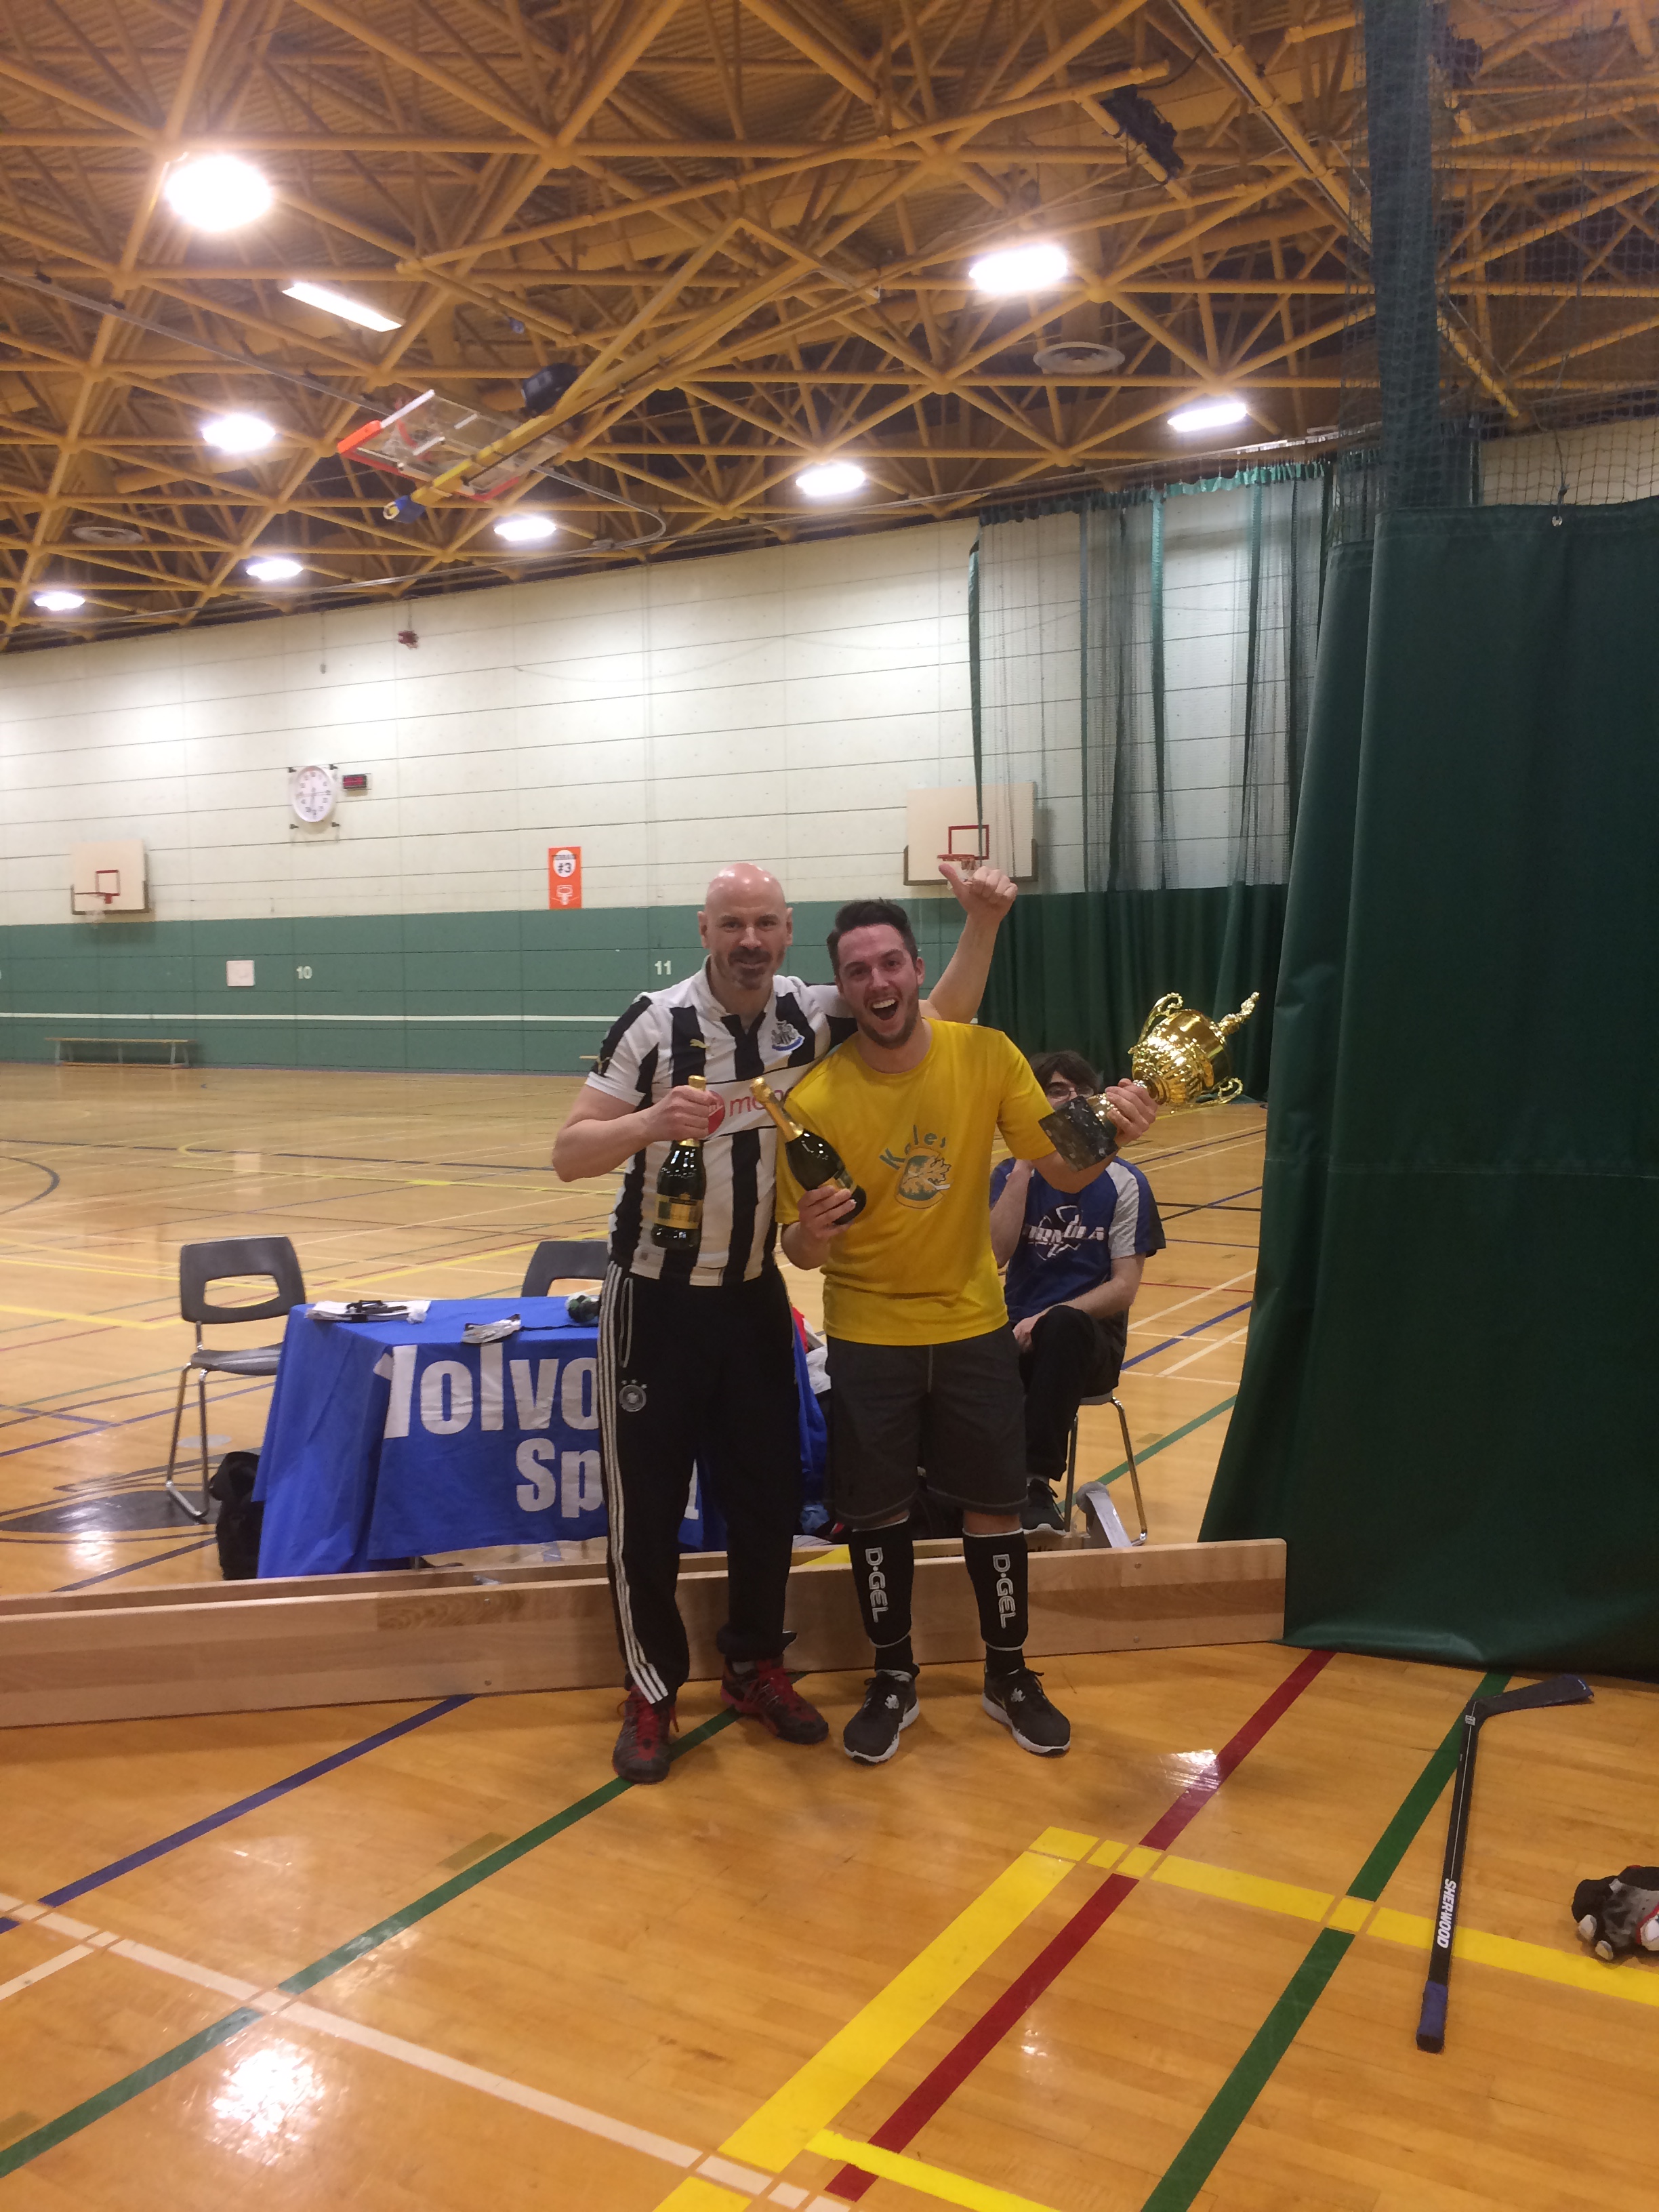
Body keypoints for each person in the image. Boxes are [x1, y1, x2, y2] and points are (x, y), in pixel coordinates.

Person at [552, 859, 1017, 1784]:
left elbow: (940, 1013)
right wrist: (649, 1123)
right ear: (705, 931)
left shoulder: (811, 1012)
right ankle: (651, 1690)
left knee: (767, 1497)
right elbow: (570, 1152)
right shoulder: (653, 1022)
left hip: (756, 1295)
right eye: (733, 924)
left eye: (765, 923)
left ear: (787, 930)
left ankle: (754, 1666)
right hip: (653, 1299)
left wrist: (980, 924)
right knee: (647, 1508)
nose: (750, 940)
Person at [776, 901, 1158, 1766]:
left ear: (919, 971)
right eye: (859, 971)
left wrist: (1116, 1127)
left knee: (995, 1506)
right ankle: (891, 1677)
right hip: (868, 1335)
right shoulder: (814, 1099)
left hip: (975, 1326)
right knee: (876, 1514)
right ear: (843, 989)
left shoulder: (985, 1054)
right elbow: (795, 1245)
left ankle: (1009, 1675)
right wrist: (814, 1237)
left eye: (892, 964)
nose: (878, 982)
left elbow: (1061, 1165)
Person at [991, 1050, 1166, 1533]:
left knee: (1064, 1325)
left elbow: (1123, 1288)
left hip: (1087, 1342)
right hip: (1013, 1331)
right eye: (1056, 1091)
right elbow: (996, 1254)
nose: (1071, 1100)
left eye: (1081, 1091)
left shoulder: (1126, 1182)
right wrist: (1026, 1163)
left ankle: (1033, 1481)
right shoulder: (1007, 1175)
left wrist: (1048, 1317)